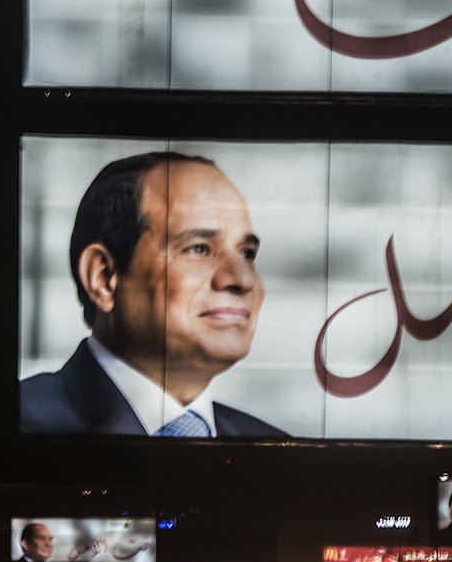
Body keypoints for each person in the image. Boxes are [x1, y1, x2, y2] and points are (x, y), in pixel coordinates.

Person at [21, 152, 287, 437]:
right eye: (199, 248)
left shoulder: (274, 446)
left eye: (247, 253)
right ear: (103, 277)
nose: (244, 279)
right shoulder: (19, 425)